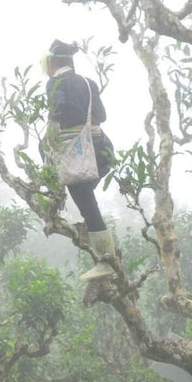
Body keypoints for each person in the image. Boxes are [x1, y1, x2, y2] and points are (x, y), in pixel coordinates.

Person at [42, 39, 117, 281]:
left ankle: (106, 261)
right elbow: (103, 115)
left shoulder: (55, 83)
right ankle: (104, 256)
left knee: (87, 203)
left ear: (52, 63)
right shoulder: (89, 82)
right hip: (103, 149)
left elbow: (58, 111)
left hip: (80, 154)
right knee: (87, 199)